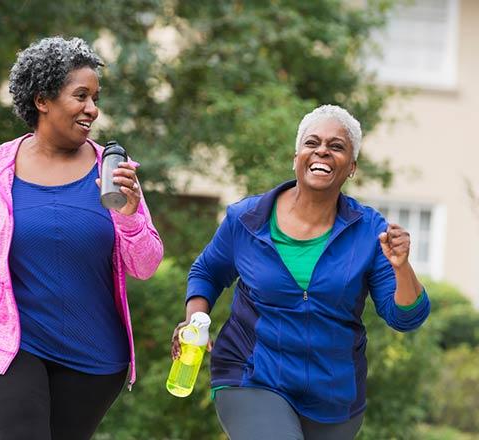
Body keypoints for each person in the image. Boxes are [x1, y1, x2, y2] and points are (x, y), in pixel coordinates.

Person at [0, 36, 163, 440]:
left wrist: (129, 216)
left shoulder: (113, 173)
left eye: (95, 97)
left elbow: (145, 266)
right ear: (42, 100)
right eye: (81, 96)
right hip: (1, 348)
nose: (93, 109)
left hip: (93, 360)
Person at [171, 104, 430, 440]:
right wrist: (196, 319)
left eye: (336, 146)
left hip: (335, 397)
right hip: (251, 376)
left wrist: (401, 267)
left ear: (351, 167)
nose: (322, 150)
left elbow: (404, 317)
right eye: (312, 143)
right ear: (297, 156)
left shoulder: (369, 232)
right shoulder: (248, 219)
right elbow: (207, 271)